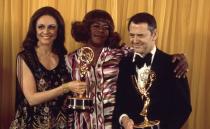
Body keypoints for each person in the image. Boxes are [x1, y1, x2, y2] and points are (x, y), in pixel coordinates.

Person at [66, 9, 189, 129]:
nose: (101, 31)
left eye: (106, 27)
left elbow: (147, 52)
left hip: (111, 124)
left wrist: (180, 58)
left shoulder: (120, 54)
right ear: (86, 28)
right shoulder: (70, 59)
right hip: (82, 123)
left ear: (154, 34)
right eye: (96, 26)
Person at [10, 6, 87, 129]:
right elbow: (32, 99)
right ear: (34, 30)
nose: (46, 31)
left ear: (58, 31)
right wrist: (66, 87)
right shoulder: (24, 57)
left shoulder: (64, 56)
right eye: (41, 27)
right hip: (31, 124)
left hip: (62, 124)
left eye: (51, 27)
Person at [113, 12, 192, 129]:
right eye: (132, 35)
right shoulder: (124, 63)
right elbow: (120, 101)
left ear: (154, 35)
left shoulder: (174, 64)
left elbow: (183, 108)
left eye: (140, 35)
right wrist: (123, 119)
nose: (134, 40)